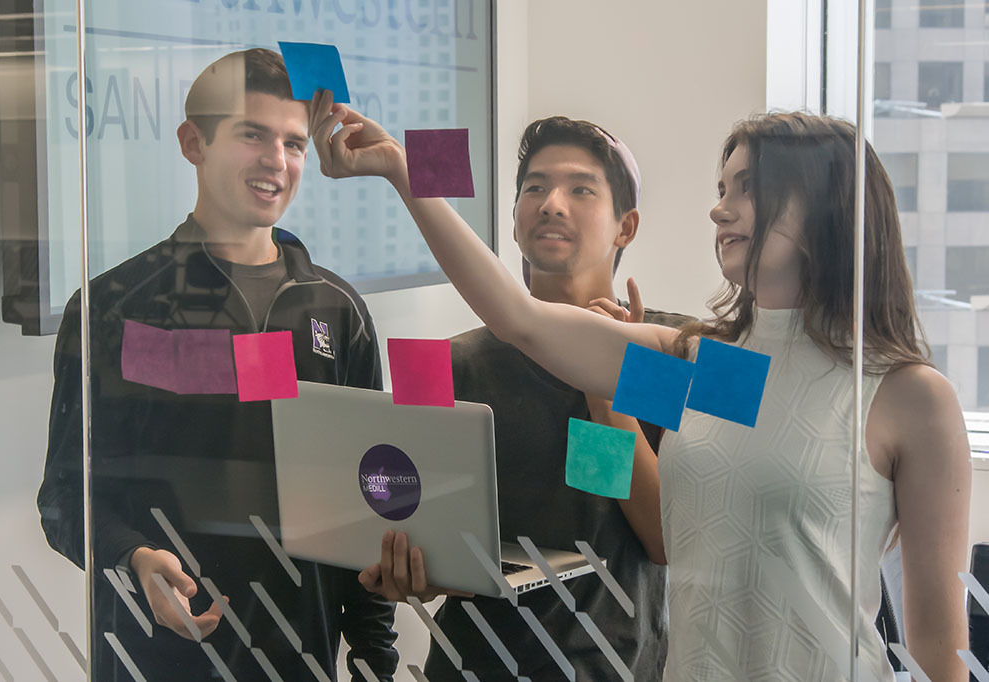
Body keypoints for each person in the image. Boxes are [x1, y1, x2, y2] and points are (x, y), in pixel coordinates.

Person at [308, 97, 971, 680]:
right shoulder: (712, 372)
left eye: (745, 187)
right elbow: (518, 319)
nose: (718, 208)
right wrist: (404, 172)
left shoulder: (906, 399)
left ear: (827, 202)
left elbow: (937, 645)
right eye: (721, 187)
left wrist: (606, 401)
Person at [37, 50, 398, 681]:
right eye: (252, 135)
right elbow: (63, 498)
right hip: (151, 658)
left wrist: (375, 658)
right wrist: (130, 558)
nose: (276, 162)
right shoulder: (111, 308)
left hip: (299, 660)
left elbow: (365, 504)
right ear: (192, 142)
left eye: (293, 144)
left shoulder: (338, 312)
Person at [365, 116, 686, 680]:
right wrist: (408, 570)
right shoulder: (442, 362)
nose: (552, 203)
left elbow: (666, 541)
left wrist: (603, 390)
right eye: (534, 187)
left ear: (625, 227)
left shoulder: (672, 353)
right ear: (513, 223)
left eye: (581, 189)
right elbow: (416, 529)